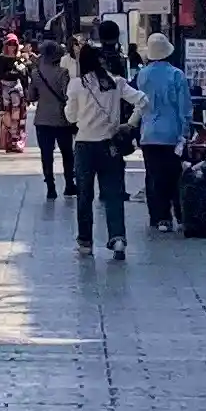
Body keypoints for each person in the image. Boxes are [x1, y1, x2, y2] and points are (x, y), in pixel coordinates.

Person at [66, 37, 136, 258]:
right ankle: (117, 238)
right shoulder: (116, 82)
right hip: (110, 145)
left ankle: (86, 241)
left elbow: (70, 116)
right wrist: (129, 123)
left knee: (85, 194)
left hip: (85, 145)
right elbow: (143, 101)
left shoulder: (77, 84)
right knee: (113, 193)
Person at [134, 31, 196, 231]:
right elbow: (184, 107)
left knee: (153, 175)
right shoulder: (177, 75)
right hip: (171, 134)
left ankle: (158, 217)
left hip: (148, 134)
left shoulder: (142, 75)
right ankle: (179, 214)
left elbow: (140, 103)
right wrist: (185, 132)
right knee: (174, 175)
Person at [27, 36, 74, 201]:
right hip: (62, 119)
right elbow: (66, 94)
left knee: (46, 155)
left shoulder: (36, 73)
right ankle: (69, 184)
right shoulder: (63, 73)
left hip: (42, 120)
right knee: (67, 153)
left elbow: (31, 96)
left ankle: (50, 187)